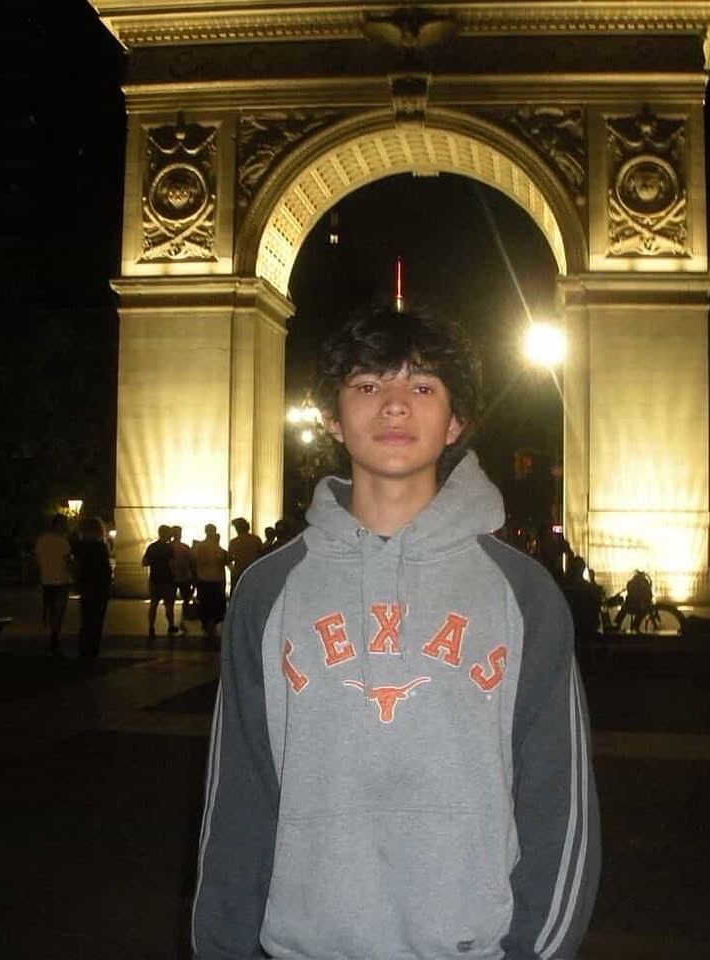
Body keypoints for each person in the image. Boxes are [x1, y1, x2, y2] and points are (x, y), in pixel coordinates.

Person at [192, 304, 599, 959]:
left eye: (422, 386)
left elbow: (560, 801)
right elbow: (236, 798)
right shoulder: (266, 592)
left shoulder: (524, 594)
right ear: (331, 415)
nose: (394, 407)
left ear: (457, 419)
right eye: (367, 385)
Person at [73, 516, 113, 660]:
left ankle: (84, 648)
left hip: (86, 586)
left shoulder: (80, 547)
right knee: (97, 620)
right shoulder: (101, 547)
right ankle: (93, 649)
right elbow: (106, 570)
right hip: (100, 587)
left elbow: (77, 567)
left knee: (86, 619)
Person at [34, 514, 74, 657]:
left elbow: (37, 560)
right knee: (59, 611)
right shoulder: (62, 542)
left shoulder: (41, 540)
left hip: (47, 580)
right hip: (61, 580)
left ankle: (53, 634)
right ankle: (55, 638)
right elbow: (68, 561)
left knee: (51, 609)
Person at [192, 523, 229, 648]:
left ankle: (206, 626)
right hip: (217, 579)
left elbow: (194, 562)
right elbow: (223, 561)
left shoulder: (199, 546)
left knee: (205, 604)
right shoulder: (218, 548)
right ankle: (212, 626)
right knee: (216, 604)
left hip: (203, 579)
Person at [141, 524, 178, 644]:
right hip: (167, 580)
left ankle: (151, 627)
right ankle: (171, 626)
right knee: (169, 605)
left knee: (153, 604)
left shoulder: (152, 547)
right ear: (166, 534)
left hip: (154, 579)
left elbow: (144, 562)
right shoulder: (169, 548)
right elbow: (172, 565)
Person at [226, 516, 263, 594]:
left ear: (237, 528)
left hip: (238, 573)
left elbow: (229, 559)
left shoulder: (234, 542)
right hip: (253, 572)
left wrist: (232, 570)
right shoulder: (256, 539)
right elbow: (261, 555)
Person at [170, 524, 197, 629]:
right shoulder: (185, 547)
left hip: (171, 577)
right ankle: (183, 618)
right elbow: (192, 563)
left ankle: (171, 622)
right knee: (186, 598)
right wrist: (195, 577)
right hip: (185, 576)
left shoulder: (168, 547)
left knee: (170, 601)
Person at [613, 568, 653, 633]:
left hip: (634, 605)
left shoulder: (634, 583)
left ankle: (617, 624)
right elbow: (648, 594)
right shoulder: (643, 582)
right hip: (639, 605)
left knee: (624, 610)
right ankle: (633, 626)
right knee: (634, 612)